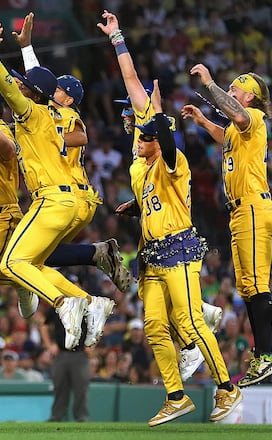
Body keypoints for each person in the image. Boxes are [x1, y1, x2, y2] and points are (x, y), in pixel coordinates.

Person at [0, 23, 114, 352]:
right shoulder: (46, 114)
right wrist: (26, 48)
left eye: (24, 86)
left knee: (11, 264)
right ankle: (89, 302)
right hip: (64, 200)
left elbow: (14, 90)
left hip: (52, 200)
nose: (18, 86)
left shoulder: (33, 113)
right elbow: (36, 81)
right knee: (30, 264)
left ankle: (65, 304)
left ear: (33, 95)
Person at [99, 10, 223, 383]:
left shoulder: (151, 130)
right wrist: (138, 206)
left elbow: (131, 79)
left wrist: (117, 38)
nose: (126, 118)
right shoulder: (139, 155)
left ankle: (201, 328)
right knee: (155, 319)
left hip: (174, 239)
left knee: (181, 314)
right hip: (152, 241)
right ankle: (177, 383)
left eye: (128, 113)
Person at [182, 61, 272, 387]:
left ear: (249, 97)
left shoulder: (254, 117)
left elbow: (237, 116)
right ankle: (262, 355)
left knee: (257, 283)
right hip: (241, 210)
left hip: (253, 205)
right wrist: (202, 121)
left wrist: (210, 84)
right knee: (248, 286)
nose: (230, 93)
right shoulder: (239, 130)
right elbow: (226, 134)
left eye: (235, 89)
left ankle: (266, 354)